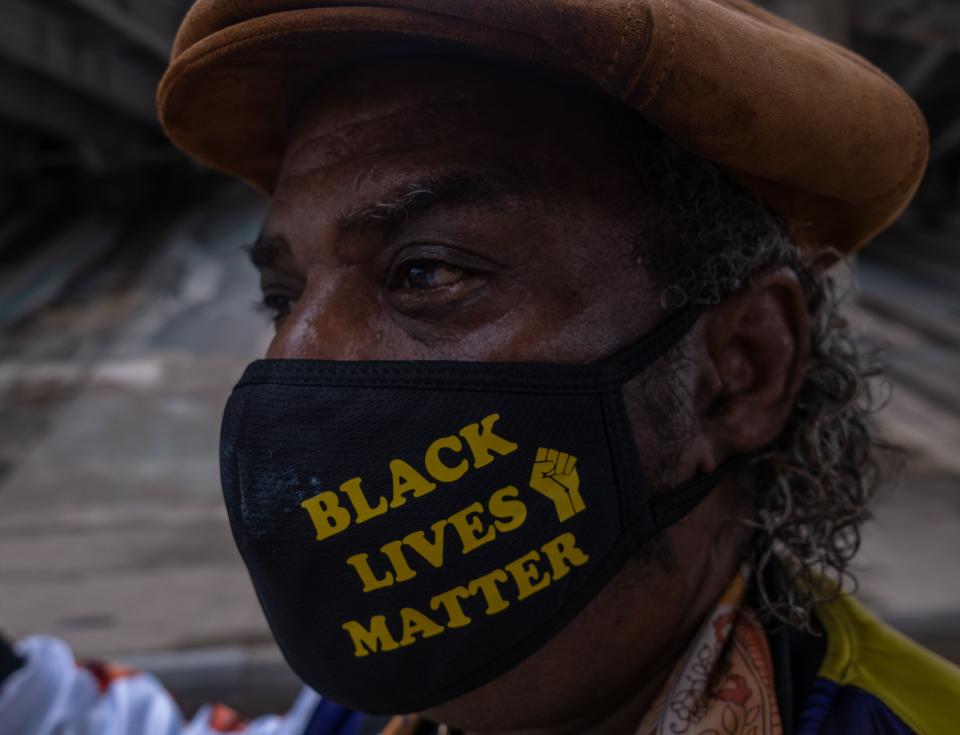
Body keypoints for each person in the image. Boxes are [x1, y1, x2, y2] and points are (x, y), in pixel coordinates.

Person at [2, 1, 959, 733]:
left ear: (739, 367)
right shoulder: (394, 699)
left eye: (428, 271)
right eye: (283, 296)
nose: (295, 360)